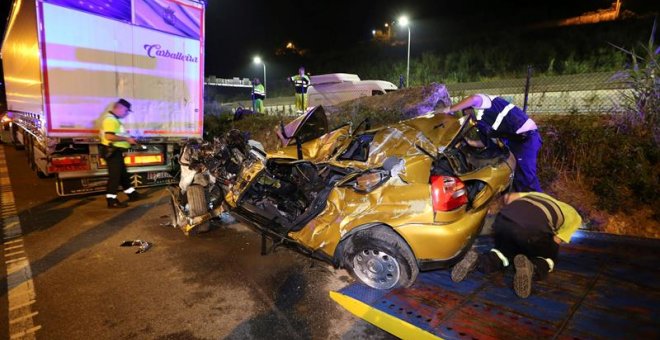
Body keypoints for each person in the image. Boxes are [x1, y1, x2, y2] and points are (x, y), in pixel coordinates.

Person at [450, 192, 582, 298]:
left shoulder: (539, 195)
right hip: (531, 227)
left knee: (503, 252)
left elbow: (508, 197)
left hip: (504, 220)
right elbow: (556, 240)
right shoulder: (575, 217)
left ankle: (479, 261)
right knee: (549, 255)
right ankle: (533, 267)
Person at [444, 94, 542, 192]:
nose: (467, 116)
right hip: (513, 140)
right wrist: (467, 142)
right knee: (516, 175)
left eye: (466, 112)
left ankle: (538, 202)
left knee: (526, 176)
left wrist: (449, 109)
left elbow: (474, 98)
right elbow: (484, 143)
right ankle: (522, 201)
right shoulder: (480, 123)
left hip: (525, 137)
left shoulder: (485, 103)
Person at [100, 99, 143, 208]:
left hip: (115, 151)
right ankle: (111, 200)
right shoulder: (110, 120)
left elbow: (117, 135)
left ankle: (132, 194)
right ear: (119, 108)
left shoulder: (114, 119)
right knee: (115, 176)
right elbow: (109, 136)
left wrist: (129, 139)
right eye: (126, 111)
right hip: (112, 151)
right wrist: (127, 139)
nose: (126, 113)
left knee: (123, 174)